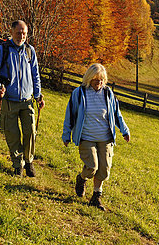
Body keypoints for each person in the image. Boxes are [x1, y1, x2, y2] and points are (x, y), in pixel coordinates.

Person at [62, 63, 130, 210]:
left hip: (105, 138)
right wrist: (66, 134)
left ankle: (96, 197)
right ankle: (81, 179)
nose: (98, 83)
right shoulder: (79, 93)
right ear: (89, 78)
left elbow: (116, 114)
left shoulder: (108, 93)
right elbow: (70, 115)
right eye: (95, 79)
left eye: (101, 79)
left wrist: (124, 130)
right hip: (86, 137)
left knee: (104, 169)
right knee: (92, 166)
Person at [0, 20, 45, 177]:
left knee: (30, 132)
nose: (22, 36)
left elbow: (35, 75)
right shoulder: (2, 50)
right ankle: (17, 165)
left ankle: (29, 161)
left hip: (27, 101)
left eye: (24, 33)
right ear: (12, 32)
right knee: (12, 134)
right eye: (19, 33)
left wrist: (38, 95)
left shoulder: (30, 50)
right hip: (9, 100)